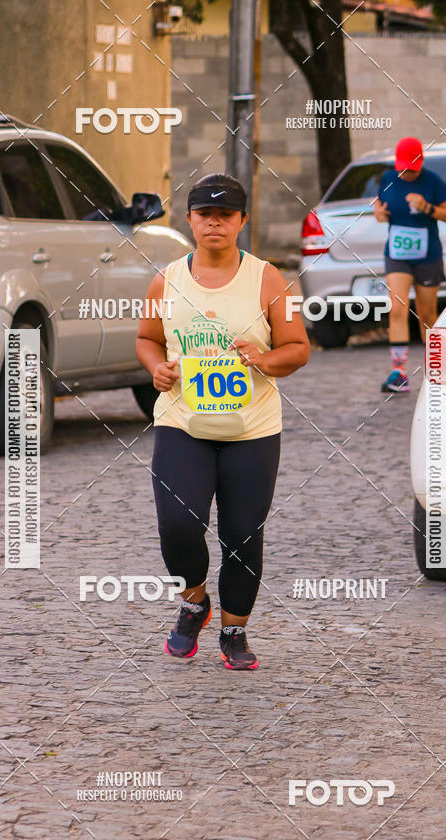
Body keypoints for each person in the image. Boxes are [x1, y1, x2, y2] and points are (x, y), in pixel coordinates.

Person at [136, 173, 310, 670]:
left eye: (226, 214)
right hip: (182, 422)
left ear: (242, 221)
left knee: (242, 534)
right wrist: (158, 368)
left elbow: (298, 348)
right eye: (204, 214)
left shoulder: (269, 279)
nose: (214, 222)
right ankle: (194, 602)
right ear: (189, 219)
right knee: (176, 525)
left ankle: (235, 630)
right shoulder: (165, 279)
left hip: (251, 430)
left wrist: (262, 358)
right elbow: (147, 338)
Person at [374, 136, 446, 393]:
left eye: (411, 168)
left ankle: (437, 372)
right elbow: (379, 202)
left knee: (426, 315)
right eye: (402, 168)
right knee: (397, 308)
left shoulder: (434, 182)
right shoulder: (389, 179)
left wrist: (427, 207)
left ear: (420, 163)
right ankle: (399, 374)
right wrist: (378, 211)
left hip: (428, 255)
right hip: (397, 253)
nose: (406, 173)